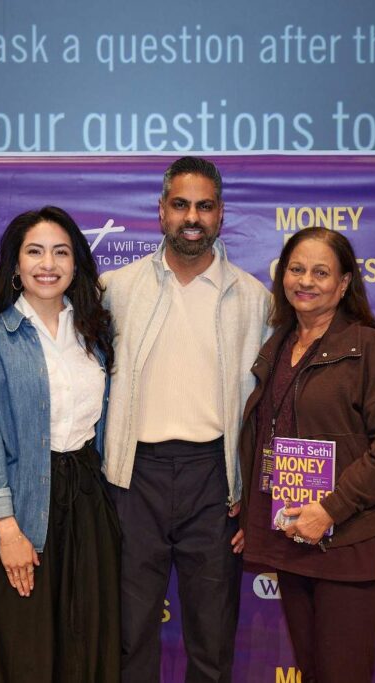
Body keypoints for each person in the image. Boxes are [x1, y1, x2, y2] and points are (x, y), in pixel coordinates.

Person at [101, 156, 270, 682]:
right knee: (129, 637)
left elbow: (267, 407)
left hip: (214, 481)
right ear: (161, 212)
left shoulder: (255, 299)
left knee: (212, 640)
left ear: (221, 215)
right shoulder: (117, 289)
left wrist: (251, 489)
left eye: (204, 205)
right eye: (180, 205)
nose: (191, 216)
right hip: (135, 478)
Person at [238, 227, 375, 683]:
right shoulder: (276, 347)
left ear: (344, 284)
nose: (306, 281)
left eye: (321, 272)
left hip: (350, 544)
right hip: (295, 541)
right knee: (315, 673)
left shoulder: (369, 348)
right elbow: (269, 442)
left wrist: (329, 509)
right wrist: (254, 518)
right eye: (297, 269)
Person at [0, 206, 119, 682]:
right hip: (19, 507)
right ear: (15, 265)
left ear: (76, 264)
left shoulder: (95, 333)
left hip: (88, 503)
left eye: (60, 252)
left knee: (86, 645)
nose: (47, 264)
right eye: (34, 252)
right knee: (23, 650)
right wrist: (7, 530)